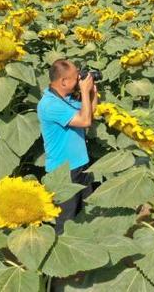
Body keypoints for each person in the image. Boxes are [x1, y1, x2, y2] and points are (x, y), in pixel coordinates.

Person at [37, 59, 98, 234]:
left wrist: (92, 93)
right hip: (63, 173)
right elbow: (85, 122)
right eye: (75, 77)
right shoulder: (49, 104)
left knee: (86, 215)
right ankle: (60, 256)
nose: (79, 79)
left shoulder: (66, 99)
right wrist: (85, 92)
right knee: (66, 221)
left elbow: (89, 114)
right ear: (63, 82)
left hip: (81, 166)